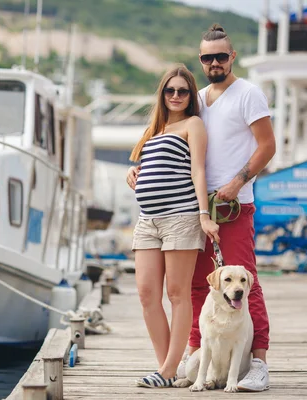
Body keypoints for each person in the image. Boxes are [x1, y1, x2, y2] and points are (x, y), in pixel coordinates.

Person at [127, 24, 276, 392]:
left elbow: (267, 146)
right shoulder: (199, 100)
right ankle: (193, 357)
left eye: (221, 56)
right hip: (193, 209)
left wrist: (237, 183)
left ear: (232, 57)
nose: (214, 62)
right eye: (207, 57)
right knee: (200, 286)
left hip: (232, 206)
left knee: (246, 282)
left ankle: (259, 363)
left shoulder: (248, 94)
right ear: (201, 60)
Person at [129, 64, 220, 388]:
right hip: (147, 220)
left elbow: (197, 170)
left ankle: (167, 371)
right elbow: (151, 165)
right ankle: (167, 368)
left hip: (180, 217)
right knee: (146, 294)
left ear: (190, 95)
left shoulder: (193, 124)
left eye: (183, 91)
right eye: (171, 90)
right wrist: (135, 174)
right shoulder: (156, 128)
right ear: (163, 94)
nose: (177, 95)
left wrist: (203, 214)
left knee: (177, 293)